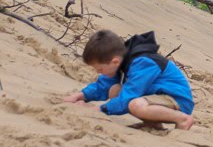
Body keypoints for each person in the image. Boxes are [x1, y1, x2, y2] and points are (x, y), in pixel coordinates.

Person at [62, 29, 195, 130]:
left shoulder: (143, 63)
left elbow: (130, 95)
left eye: (100, 69)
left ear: (114, 61)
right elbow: (104, 86)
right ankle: (153, 123)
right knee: (115, 90)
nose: (98, 72)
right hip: (156, 95)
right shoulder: (120, 59)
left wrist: (99, 109)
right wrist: (80, 96)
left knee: (134, 104)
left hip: (177, 99)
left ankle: (182, 119)